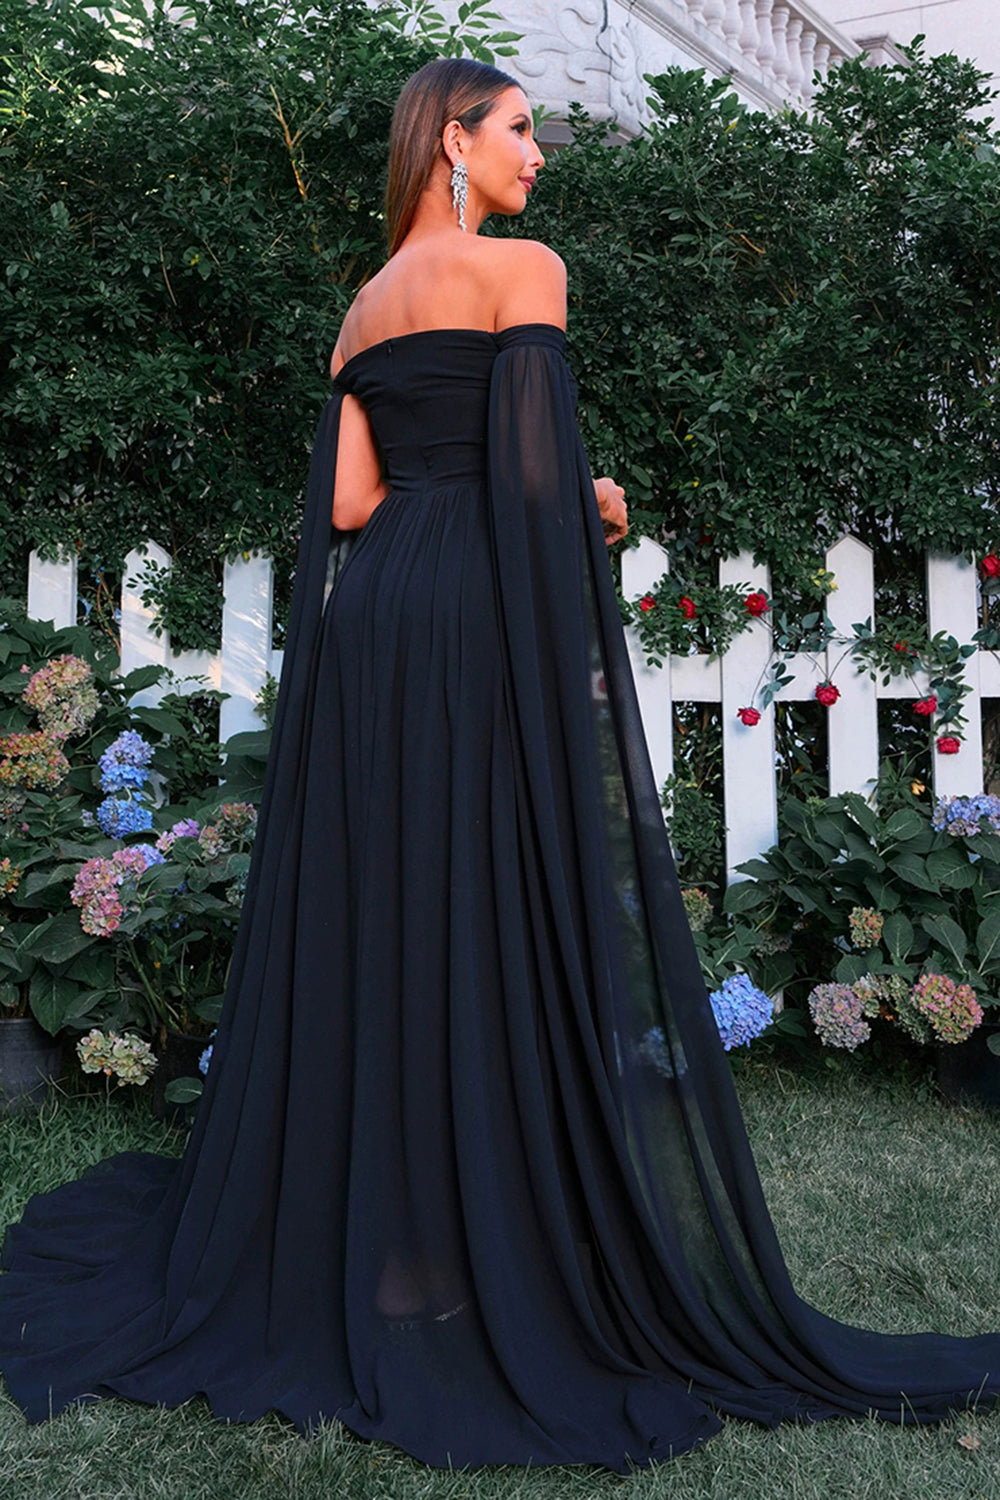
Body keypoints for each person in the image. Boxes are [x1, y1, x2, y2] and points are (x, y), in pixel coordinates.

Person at [2, 53, 1000, 1477]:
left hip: (381, 617)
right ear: (452, 144)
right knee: (489, 887)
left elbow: (352, 501)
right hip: (473, 609)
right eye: (521, 130)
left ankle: (397, 1231)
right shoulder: (524, 271)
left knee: (399, 899)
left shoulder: (362, 308)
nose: (540, 154)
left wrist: (506, 492)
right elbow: (529, 479)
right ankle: (491, 1223)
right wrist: (590, 509)